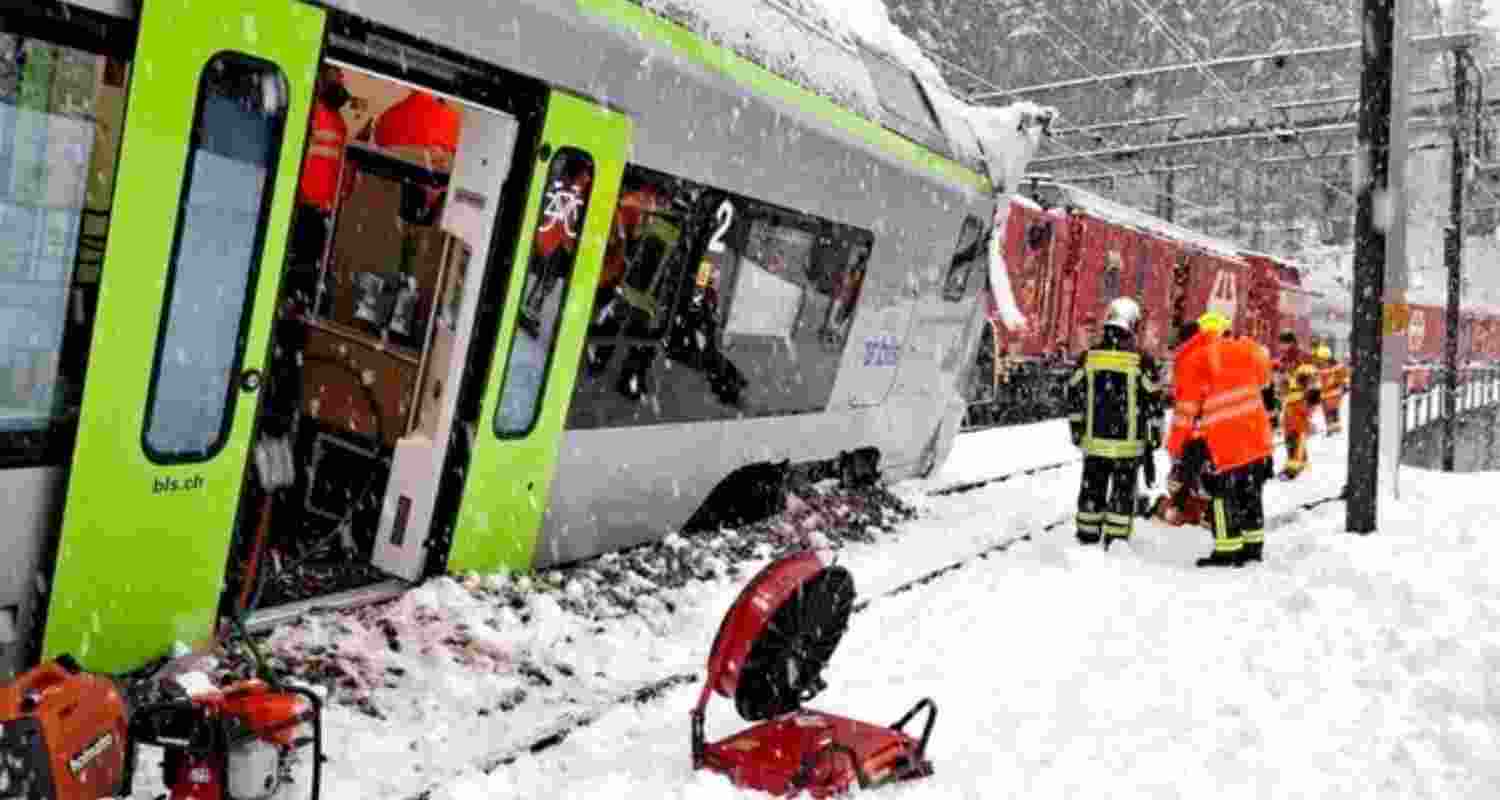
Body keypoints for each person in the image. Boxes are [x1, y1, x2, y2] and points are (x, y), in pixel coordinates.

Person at [1166, 311, 1275, 567]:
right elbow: (1265, 380)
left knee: (1222, 496)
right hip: (1256, 437)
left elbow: (1186, 411)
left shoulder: (1197, 359)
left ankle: (1226, 551)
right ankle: (1252, 549)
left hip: (1225, 442)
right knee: (1251, 494)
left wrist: (1175, 445)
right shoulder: (1248, 350)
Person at [1066, 297, 1163, 549]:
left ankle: (1087, 535)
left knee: (1092, 490)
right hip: (1127, 447)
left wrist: (1077, 429)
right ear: (1131, 325)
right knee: (1122, 493)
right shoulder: (1142, 361)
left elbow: (1073, 394)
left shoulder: (1088, 357)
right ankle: (1115, 540)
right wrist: (1153, 438)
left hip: (1095, 442)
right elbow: (1154, 403)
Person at [1276, 332, 1322, 479]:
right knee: (1289, 433)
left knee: (1298, 432)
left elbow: (1313, 379)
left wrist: (1312, 401)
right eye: (1281, 343)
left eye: (1284, 343)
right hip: (1290, 401)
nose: (1282, 346)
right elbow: (1282, 380)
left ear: (1292, 342)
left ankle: (1295, 466)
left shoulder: (1301, 357)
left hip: (1302, 400)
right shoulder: (1285, 358)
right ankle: (1296, 461)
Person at [1315, 344, 1348, 435]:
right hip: (1325, 393)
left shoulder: (1337, 367)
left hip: (1334, 392)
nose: (1321, 361)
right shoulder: (1320, 368)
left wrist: (1344, 384)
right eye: (1320, 359)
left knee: (1332, 410)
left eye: (1322, 359)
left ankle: (1334, 428)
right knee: (1328, 411)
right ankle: (1332, 427)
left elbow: (1344, 376)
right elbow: (1318, 380)